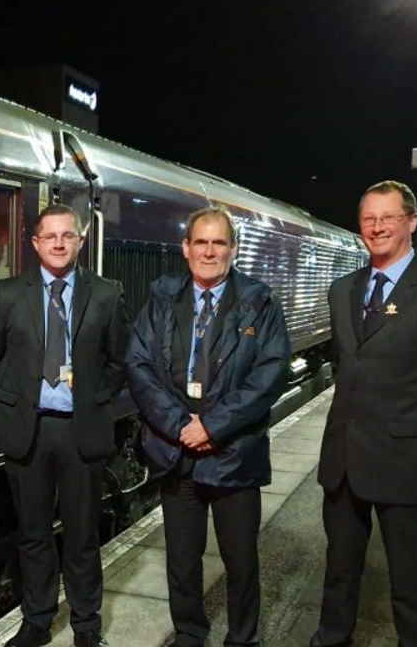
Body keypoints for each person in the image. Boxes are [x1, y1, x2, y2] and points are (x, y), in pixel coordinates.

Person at [311, 180, 417, 647]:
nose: (377, 227)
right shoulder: (342, 289)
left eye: (388, 217)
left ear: (412, 221)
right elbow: (347, 367)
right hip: (344, 461)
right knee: (339, 574)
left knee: (411, 584)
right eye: (369, 218)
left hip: (408, 464)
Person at [125, 205, 289, 647]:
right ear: (185, 248)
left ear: (233, 250)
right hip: (177, 454)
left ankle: (242, 638)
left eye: (219, 243)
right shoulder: (162, 298)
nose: (209, 251)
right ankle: (189, 635)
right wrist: (181, 425)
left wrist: (212, 427)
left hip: (234, 455)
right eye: (201, 242)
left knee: (240, 561)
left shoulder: (259, 301)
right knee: (182, 559)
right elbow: (139, 364)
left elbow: (270, 374)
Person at [0, 204, 128, 647]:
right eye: (51, 236)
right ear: (35, 243)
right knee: (33, 534)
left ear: (80, 242)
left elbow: (119, 360)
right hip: (28, 431)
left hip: (80, 430)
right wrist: (10, 400)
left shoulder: (106, 293)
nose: (60, 243)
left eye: (68, 235)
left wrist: (95, 398)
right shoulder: (7, 294)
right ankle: (37, 622)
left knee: (83, 536)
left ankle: (86, 625)